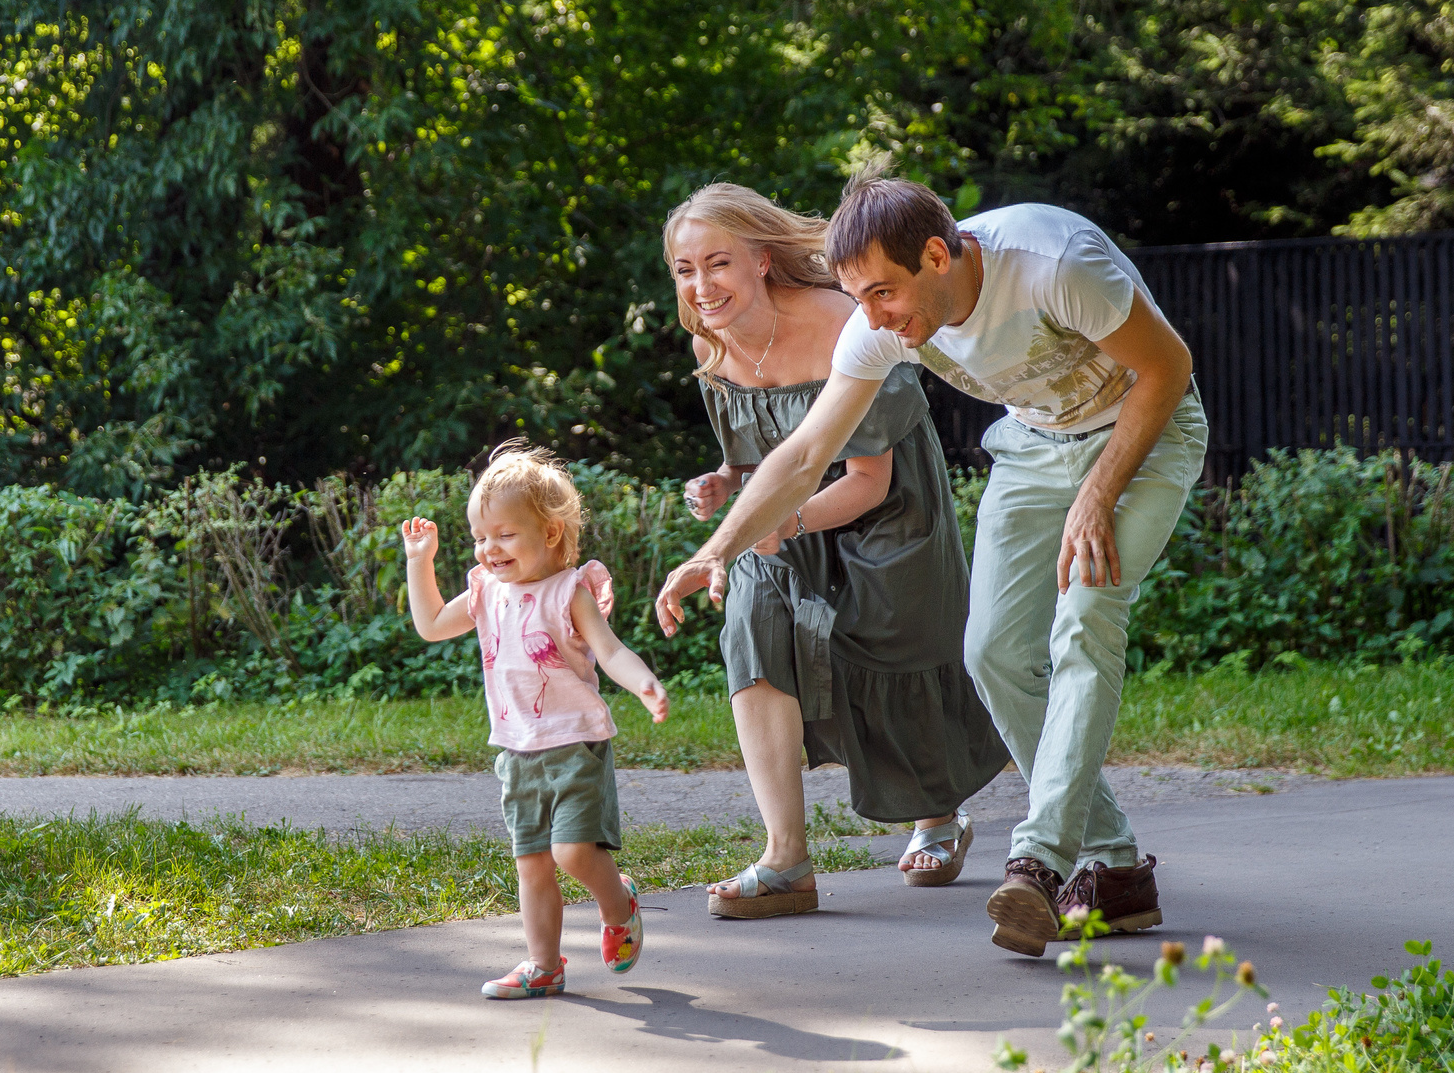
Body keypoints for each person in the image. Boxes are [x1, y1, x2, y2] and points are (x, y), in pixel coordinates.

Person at [655, 166, 1207, 957]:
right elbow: (808, 451)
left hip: (1144, 436)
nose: (874, 317)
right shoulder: (877, 321)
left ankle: (1040, 860)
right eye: (861, 297)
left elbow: (1169, 367)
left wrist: (1098, 493)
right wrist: (716, 550)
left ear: (942, 258)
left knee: (1085, 620)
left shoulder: (1054, 264)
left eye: (885, 293)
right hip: (1035, 445)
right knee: (990, 653)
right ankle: (1116, 867)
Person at [663, 184, 1007, 919]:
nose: (701, 285)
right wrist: (725, 482)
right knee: (751, 628)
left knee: (892, 649)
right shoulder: (709, 341)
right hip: (785, 515)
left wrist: (782, 520)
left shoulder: (836, 322)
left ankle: (938, 815)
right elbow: (761, 454)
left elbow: (868, 479)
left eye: (716, 263)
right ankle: (785, 858)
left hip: (883, 511)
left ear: (761, 259)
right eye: (684, 270)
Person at [402, 442, 671, 999]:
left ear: (549, 533)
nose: (487, 549)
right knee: (533, 865)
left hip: (575, 744)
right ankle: (543, 965)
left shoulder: (568, 591)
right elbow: (429, 624)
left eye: (503, 534)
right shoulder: (484, 592)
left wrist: (643, 682)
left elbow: (611, 651)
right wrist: (419, 561)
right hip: (516, 748)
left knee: (572, 854)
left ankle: (618, 903)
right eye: (480, 537)